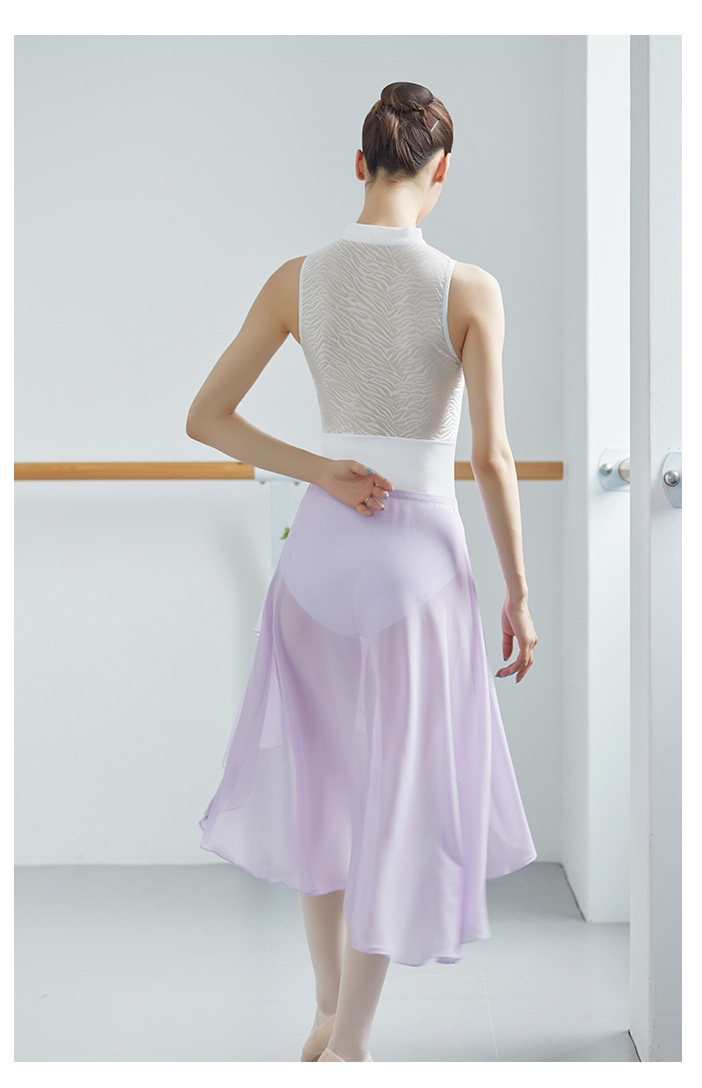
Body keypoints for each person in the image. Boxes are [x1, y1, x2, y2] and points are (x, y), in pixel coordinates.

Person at [186, 81, 538, 1063]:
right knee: (396, 808)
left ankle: (326, 1009)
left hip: (316, 563)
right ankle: (350, 1046)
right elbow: (491, 457)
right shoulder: (469, 288)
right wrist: (519, 592)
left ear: (359, 163)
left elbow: (206, 417)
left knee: (325, 794)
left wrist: (317, 469)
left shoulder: (296, 279)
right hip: (416, 575)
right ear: (441, 169)